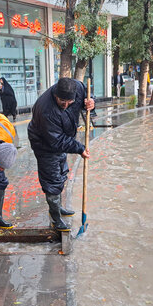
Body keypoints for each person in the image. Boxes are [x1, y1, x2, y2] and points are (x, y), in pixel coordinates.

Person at [27, 77, 94, 232]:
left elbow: (87, 97)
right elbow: (57, 141)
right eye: (61, 101)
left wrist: (91, 103)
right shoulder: (45, 110)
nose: (65, 105)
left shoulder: (77, 87)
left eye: (68, 102)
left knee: (62, 173)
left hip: (62, 139)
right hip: (44, 144)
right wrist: (79, 148)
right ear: (55, 94)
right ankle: (55, 218)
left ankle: (58, 207)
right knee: (52, 180)